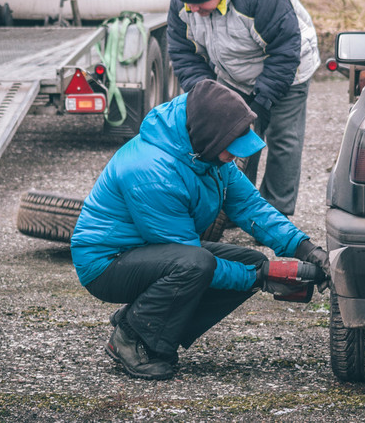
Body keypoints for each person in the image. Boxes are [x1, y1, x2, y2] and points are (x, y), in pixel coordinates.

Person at [70, 80, 330, 380]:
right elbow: (190, 259)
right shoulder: (152, 171)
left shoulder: (206, 155)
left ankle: (140, 317)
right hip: (108, 263)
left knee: (250, 262)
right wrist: (263, 278)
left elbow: (251, 207)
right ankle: (131, 337)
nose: (236, 156)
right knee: (201, 266)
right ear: (210, 138)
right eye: (230, 149)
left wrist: (307, 250)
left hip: (150, 251)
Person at [166, 0, 321, 217]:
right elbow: (182, 52)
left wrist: (262, 102)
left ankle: (274, 214)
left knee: (283, 139)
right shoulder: (185, 4)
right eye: (188, 3)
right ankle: (235, 208)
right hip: (232, 74)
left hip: (288, 69)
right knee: (231, 138)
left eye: (199, 3)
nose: (192, 9)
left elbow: (285, 50)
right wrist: (205, 93)